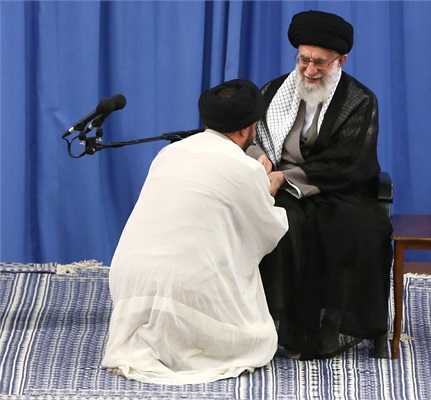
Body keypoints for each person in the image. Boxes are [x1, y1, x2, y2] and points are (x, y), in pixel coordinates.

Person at [102, 79, 288, 384]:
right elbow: (267, 230)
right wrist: (266, 184)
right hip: (185, 288)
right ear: (247, 130)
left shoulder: (169, 153)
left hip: (128, 284)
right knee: (258, 339)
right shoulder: (245, 168)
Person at [246, 10, 393, 360]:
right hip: (280, 189)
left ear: (341, 60)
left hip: (341, 189)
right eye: (304, 60)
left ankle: (331, 326)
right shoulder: (273, 91)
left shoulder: (360, 100)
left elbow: (350, 160)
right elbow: (250, 136)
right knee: (283, 225)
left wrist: (287, 175)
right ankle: (277, 327)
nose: (310, 70)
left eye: (320, 62)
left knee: (355, 231)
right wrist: (260, 156)